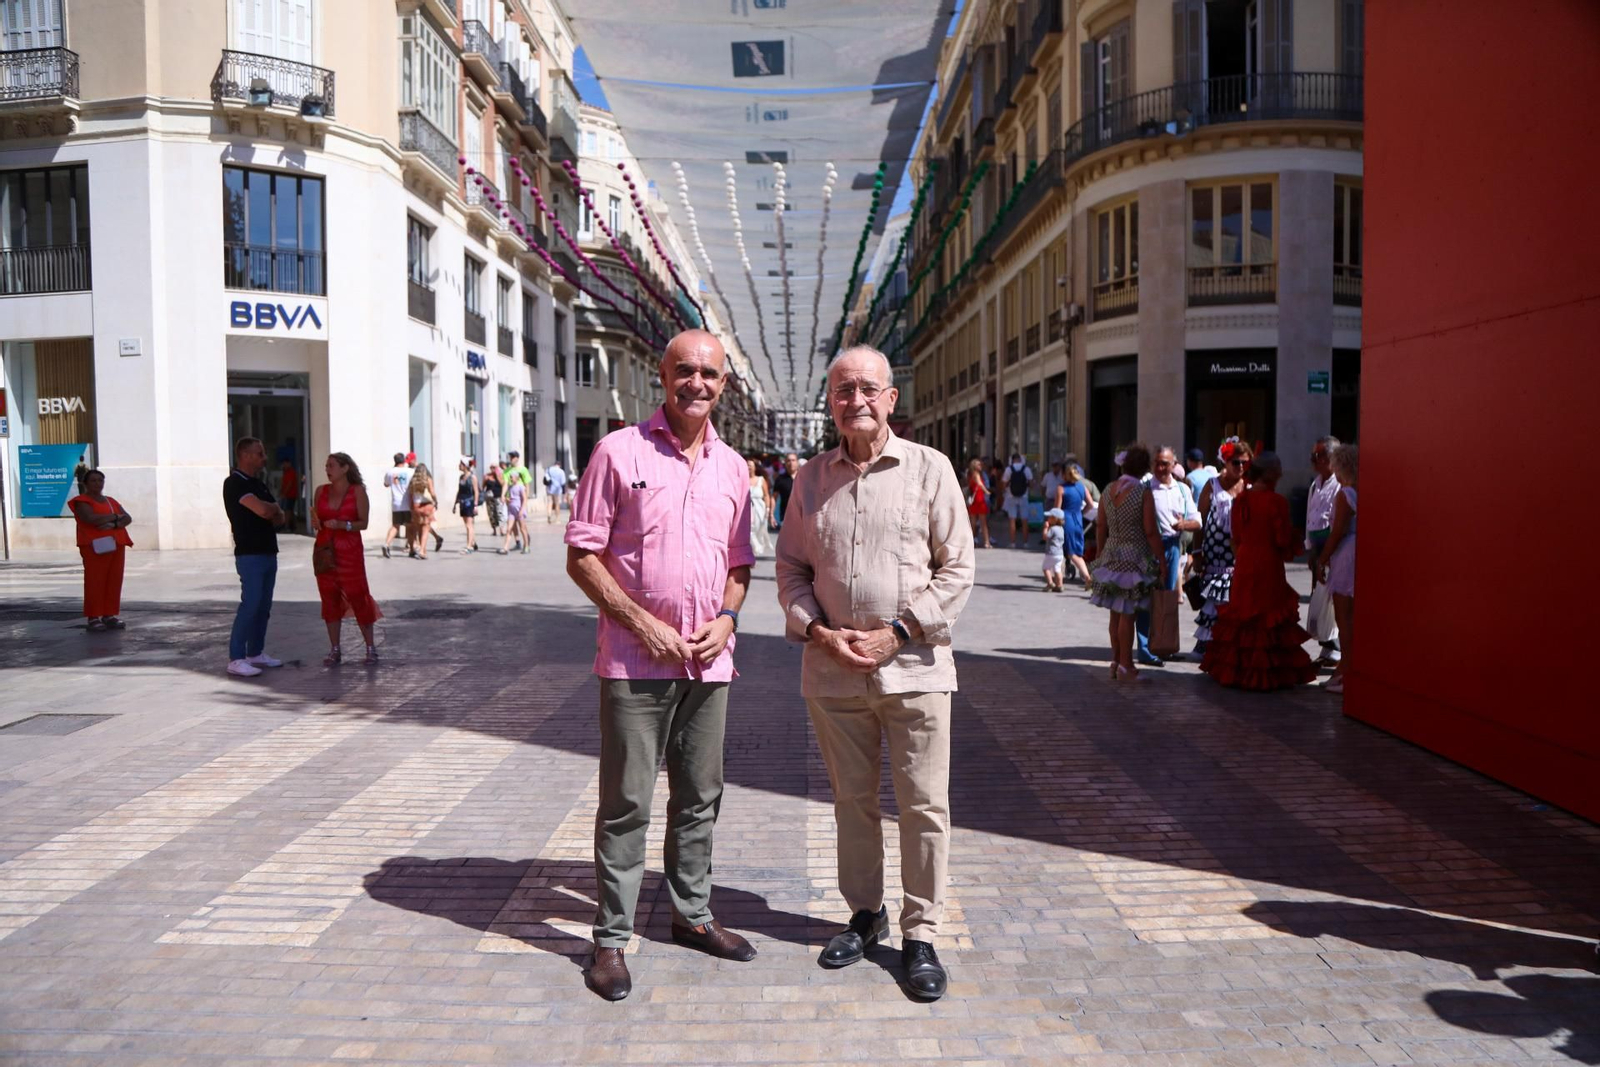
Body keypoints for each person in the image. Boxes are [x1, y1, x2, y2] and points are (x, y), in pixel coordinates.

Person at [776, 345, 975, 1002]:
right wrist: (815, 628)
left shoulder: (931, 469)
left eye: (867, 388)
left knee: (923, 806)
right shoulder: (808, 480)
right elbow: (790, 570)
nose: (854, 399)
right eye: (842, 390)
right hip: (833, 675)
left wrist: (898, 631)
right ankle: (865, 915)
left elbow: (958, 569)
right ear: (829, 401)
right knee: (852, 803)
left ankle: (921, 932)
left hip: (916, 671)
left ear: (892, 398)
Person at [564, 329, 757, 1002]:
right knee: (627, 803)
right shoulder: (618, 452)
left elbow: (740, 568)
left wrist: (727, 619)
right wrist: (642, 621)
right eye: (685, 371)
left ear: (723, 384)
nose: (696, 383)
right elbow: (582, 555)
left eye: (709, 373)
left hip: (710, 665)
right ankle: (610, 938)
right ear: (662, 375)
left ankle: (692, 914)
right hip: (632, 663)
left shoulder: (734, 468)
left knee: (700, 797)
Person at [1200, 452, 1318, 691]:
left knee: (1243, 610)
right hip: (1267, 563)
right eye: (1279, 470)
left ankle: (1238, 671)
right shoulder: (1277, 502)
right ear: (1272, 474)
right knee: (1267, 612)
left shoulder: (1241, 500)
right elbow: (1282, 539)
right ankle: (1266, 673)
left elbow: (1235, 537)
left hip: (1244, 562)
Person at [1088, 443, 1164, 682]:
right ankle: (1126, 665)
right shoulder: (1143, 492)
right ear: (1143, 468)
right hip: (1134, 557)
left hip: (1111, 555)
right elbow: (1151, 531)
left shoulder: (1109, 490)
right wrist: (1161, 559)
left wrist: (1100, 553)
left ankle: (1115, 660)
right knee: (1128, 613)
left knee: (1114, 613)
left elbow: (1101, 525)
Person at [310, 453, 382, 666]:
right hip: (325, 550)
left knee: (358, 596)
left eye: (331, 465)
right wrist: (317, 523)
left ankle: (370, 647)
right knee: (329, 598)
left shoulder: (357, 491)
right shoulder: (320, 491)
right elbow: (317, 519)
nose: (327, 469)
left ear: (344, 468)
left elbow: (364, 523)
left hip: (349, 551)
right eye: (326, 465)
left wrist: (344, 525)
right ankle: (335, 648)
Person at [224, 437, 286, 677]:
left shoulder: (258, 484)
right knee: (250, 604)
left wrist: (271, 510)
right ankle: (236, 657)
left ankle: (255, 652)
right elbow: (264, 510)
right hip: (250, 554)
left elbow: (279, 515)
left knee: (263, 606)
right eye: (260, 453)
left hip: (269, 550)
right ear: (246, 455)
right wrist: (270, 509)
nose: (264, 457)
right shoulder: (234, 483)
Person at [1133, 447, 1201, 666]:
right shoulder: (1144, 489)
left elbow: (1197, 521)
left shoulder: (1182, 489)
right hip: (1148, 547)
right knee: (1146, 598)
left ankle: (1164, 646)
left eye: (1165, 463)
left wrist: (1183, 524)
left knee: (1167, 597)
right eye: (1157, 463)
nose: (1161, 468)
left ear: (1174, 464)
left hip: (1172, 545)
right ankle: (1144, 649)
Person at [1191, 438, 1251, 660]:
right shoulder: (1212, 485)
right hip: (1215, 554)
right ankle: (1206, 645)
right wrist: (1197, 553)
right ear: (1225, 462)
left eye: (1245, 463)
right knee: (1214, 600)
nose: (1241, 467)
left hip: (1240, 557)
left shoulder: (1249, 487)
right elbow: (1200, 521)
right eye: (1236, 462)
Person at [1316, 444, 1358, 694]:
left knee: (1345, 618)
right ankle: (1344, 668)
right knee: (1350, 617)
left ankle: (1348, 671)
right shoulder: (1360, 491)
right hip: (1356, 551)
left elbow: (1337, 531)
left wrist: (1323, 558)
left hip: (1346, 555)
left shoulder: (1346, 494)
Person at [69, 469, 133, 632]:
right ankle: (93, 616)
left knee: (114, 579)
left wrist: (114, 523)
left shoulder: (111, 501)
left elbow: (127, 517)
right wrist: (114, 517)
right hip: (94, 546)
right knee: (95, 580)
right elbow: (90, 519)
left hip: (116, 543)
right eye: (93, 481)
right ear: (86, 483)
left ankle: (109, 614)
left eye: (100, 480)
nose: (97, 484)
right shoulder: (82, 501)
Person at [1305, 436, 1343, 666]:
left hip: (1333, 550)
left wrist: (1326, 555)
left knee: (1331, 603)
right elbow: (1310, 517)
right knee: (1319, 599)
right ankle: (1328, 648)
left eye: (1318, 456)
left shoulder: (1340, 484)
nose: (1313, 461)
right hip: (1318, 548)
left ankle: (1336, 648)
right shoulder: (1315, 484)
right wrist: (1311, 551)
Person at [1058, 463, 1093, 587]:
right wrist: (1080, 513)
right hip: (1078, 520)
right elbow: (1090, 504)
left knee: (1070, 552)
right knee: (1077, 553)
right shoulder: (1082, 487)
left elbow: (1057, 509)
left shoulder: (1061, 488)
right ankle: (1086, 575)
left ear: (1064, 475)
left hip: (1066, 521)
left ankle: (1087, 576)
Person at [381, 453, 412, 559]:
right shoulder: (410, 471)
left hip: (396, 504)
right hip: (407, 503)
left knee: (395, 525)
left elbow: (386, 484)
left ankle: (386, 544)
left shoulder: (390, 472)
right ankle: (411, 547)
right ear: (404, 461)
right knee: (410, 526)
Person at [1001, 452, 1033, 549]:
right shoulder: (1026, 469)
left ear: (1012, 460)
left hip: (1011, 496)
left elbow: (1004, 484)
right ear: (1020, 459)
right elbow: (1031, 484)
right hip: (1024, 496)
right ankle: (1025, 543)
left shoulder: (1008, 469)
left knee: (1012, 520)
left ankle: (1013, 543)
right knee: (1024, 520)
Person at [408, 463, 439, 559]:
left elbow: (410, 494)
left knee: (419, 529)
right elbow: (432, 492)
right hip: (426, 506)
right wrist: (436, 501)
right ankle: (422, 551)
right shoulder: (427, 480)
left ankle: (423, 550)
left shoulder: (412, 481)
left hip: (416, 507)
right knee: (425, 529)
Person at [746, 456, 773, 557]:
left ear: (755, 467)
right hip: (747, 509)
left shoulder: (761, 480)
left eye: (750, 465)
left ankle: (756, 549)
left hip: (759, 509)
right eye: (747, 465)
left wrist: (767, 509)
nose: (748, 467)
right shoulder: (742, 479)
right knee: (749, 531)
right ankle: (753, 550)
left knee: (758, 530)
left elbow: (766, 495)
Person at [498, 471, 529, 555]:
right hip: (511, 511)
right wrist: (506, 499)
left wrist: (522, 510)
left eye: (512, 477)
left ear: (517, 478)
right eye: (510, 477)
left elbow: (524, 499)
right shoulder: (510, 487)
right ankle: (505, 547)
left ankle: (526, 546)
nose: (510, 478)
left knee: (522, 529)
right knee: (509, 529)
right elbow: (509, 497)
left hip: (518, 510)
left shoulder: (521, 487)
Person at [964, 458, 993, 548]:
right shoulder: (976, 474)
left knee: (973, 523)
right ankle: (987, 542)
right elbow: (980, 484)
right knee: (983, 523)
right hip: (979, 500)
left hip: (974, 501)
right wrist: (987, 491)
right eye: (978, 465)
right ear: (974, 466)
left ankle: (971, 541)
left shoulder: (970, 474)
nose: (980, 466)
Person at [454, 458, 481, 553]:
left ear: (465, 466)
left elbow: (476, 491)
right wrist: (455, 503)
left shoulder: (472, 477)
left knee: (469, 525)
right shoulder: (461, 477)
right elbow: (459, 491)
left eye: (461, 464)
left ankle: (469, 546)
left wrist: (476, 505)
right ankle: (473, 542)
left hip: (470, 503)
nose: (459, 465)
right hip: (462, 503)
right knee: (467, 524)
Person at [1041, 509, 1066, 592]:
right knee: (1057, 569)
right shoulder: (1061, 529)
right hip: (1059, 554)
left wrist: (1045, 528)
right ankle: (1060, 585)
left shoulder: (1052, 529)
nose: (1048, 518)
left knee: (1046, 568)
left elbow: (1045, 537)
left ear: (1055, 519)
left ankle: (1050, 583)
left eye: (1050, 517)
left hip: (1051, 553)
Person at [772, 452, 798, 529]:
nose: (791, 463)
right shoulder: (780, 479)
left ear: (797, 462)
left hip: (804, 516)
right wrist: (771, 514)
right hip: (786, 517)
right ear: (785, 463)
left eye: (793, 460)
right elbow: (774, 497)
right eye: (788, 461)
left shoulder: (804, 478)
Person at [482, 462, 505, 538]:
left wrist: (498, 476)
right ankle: (494, 530)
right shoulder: (487, 476)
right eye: (491, 467)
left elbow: (503, 485)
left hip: (498, 496)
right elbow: (483, 487)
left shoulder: (500, 475)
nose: (492, 469)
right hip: (489, 497)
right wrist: (485, 480)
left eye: (494, 467)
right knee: (491, 513)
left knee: (499, 512)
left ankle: (501, 529)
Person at [277, 459, 300, 534]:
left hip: (290, 495)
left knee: (288, 510)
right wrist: (281, 491)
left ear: (289, 463)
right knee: (289, 510)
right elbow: (283, 483)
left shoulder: (291, 472)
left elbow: (289, 484)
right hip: (287, 494)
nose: (284, 465)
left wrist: (284, 493)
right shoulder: (285, 472)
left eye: (285, 464)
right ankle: (293, 525)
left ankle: (287, 526)